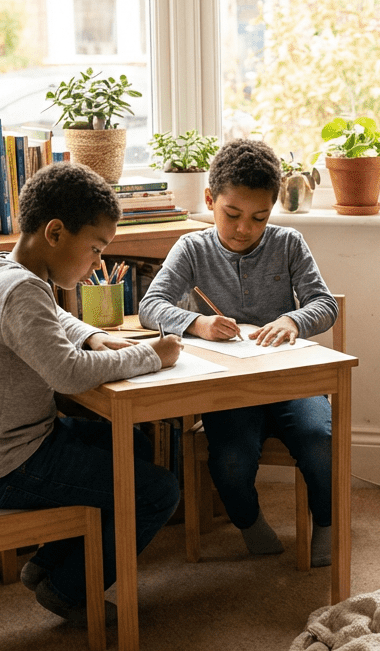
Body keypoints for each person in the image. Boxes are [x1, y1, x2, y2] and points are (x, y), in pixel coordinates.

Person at [0, 163, 184, 626]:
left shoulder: (1, 268)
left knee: (132, 444)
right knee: (158, 492)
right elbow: (69, 374)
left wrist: (93, 335)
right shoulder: (21, 291)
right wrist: (153, 355)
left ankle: (50, 564)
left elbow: (52, 319)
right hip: (4, 465)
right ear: (55, 232)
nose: (98, 263)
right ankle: (69, 589)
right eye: (95, 249)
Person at [138, 138, 339, 566]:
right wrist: (198, 323)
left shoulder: (288, 244)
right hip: (227, 388)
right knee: (229, 460)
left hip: (288, 379)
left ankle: (326, 522)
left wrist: (292, 320)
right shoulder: (192, 248)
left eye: (259, 218)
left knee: (319, 440)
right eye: (232, 215)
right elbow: (149, 306)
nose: (244, 228)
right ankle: (248, 522)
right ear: (210, 200)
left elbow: (325, 305)